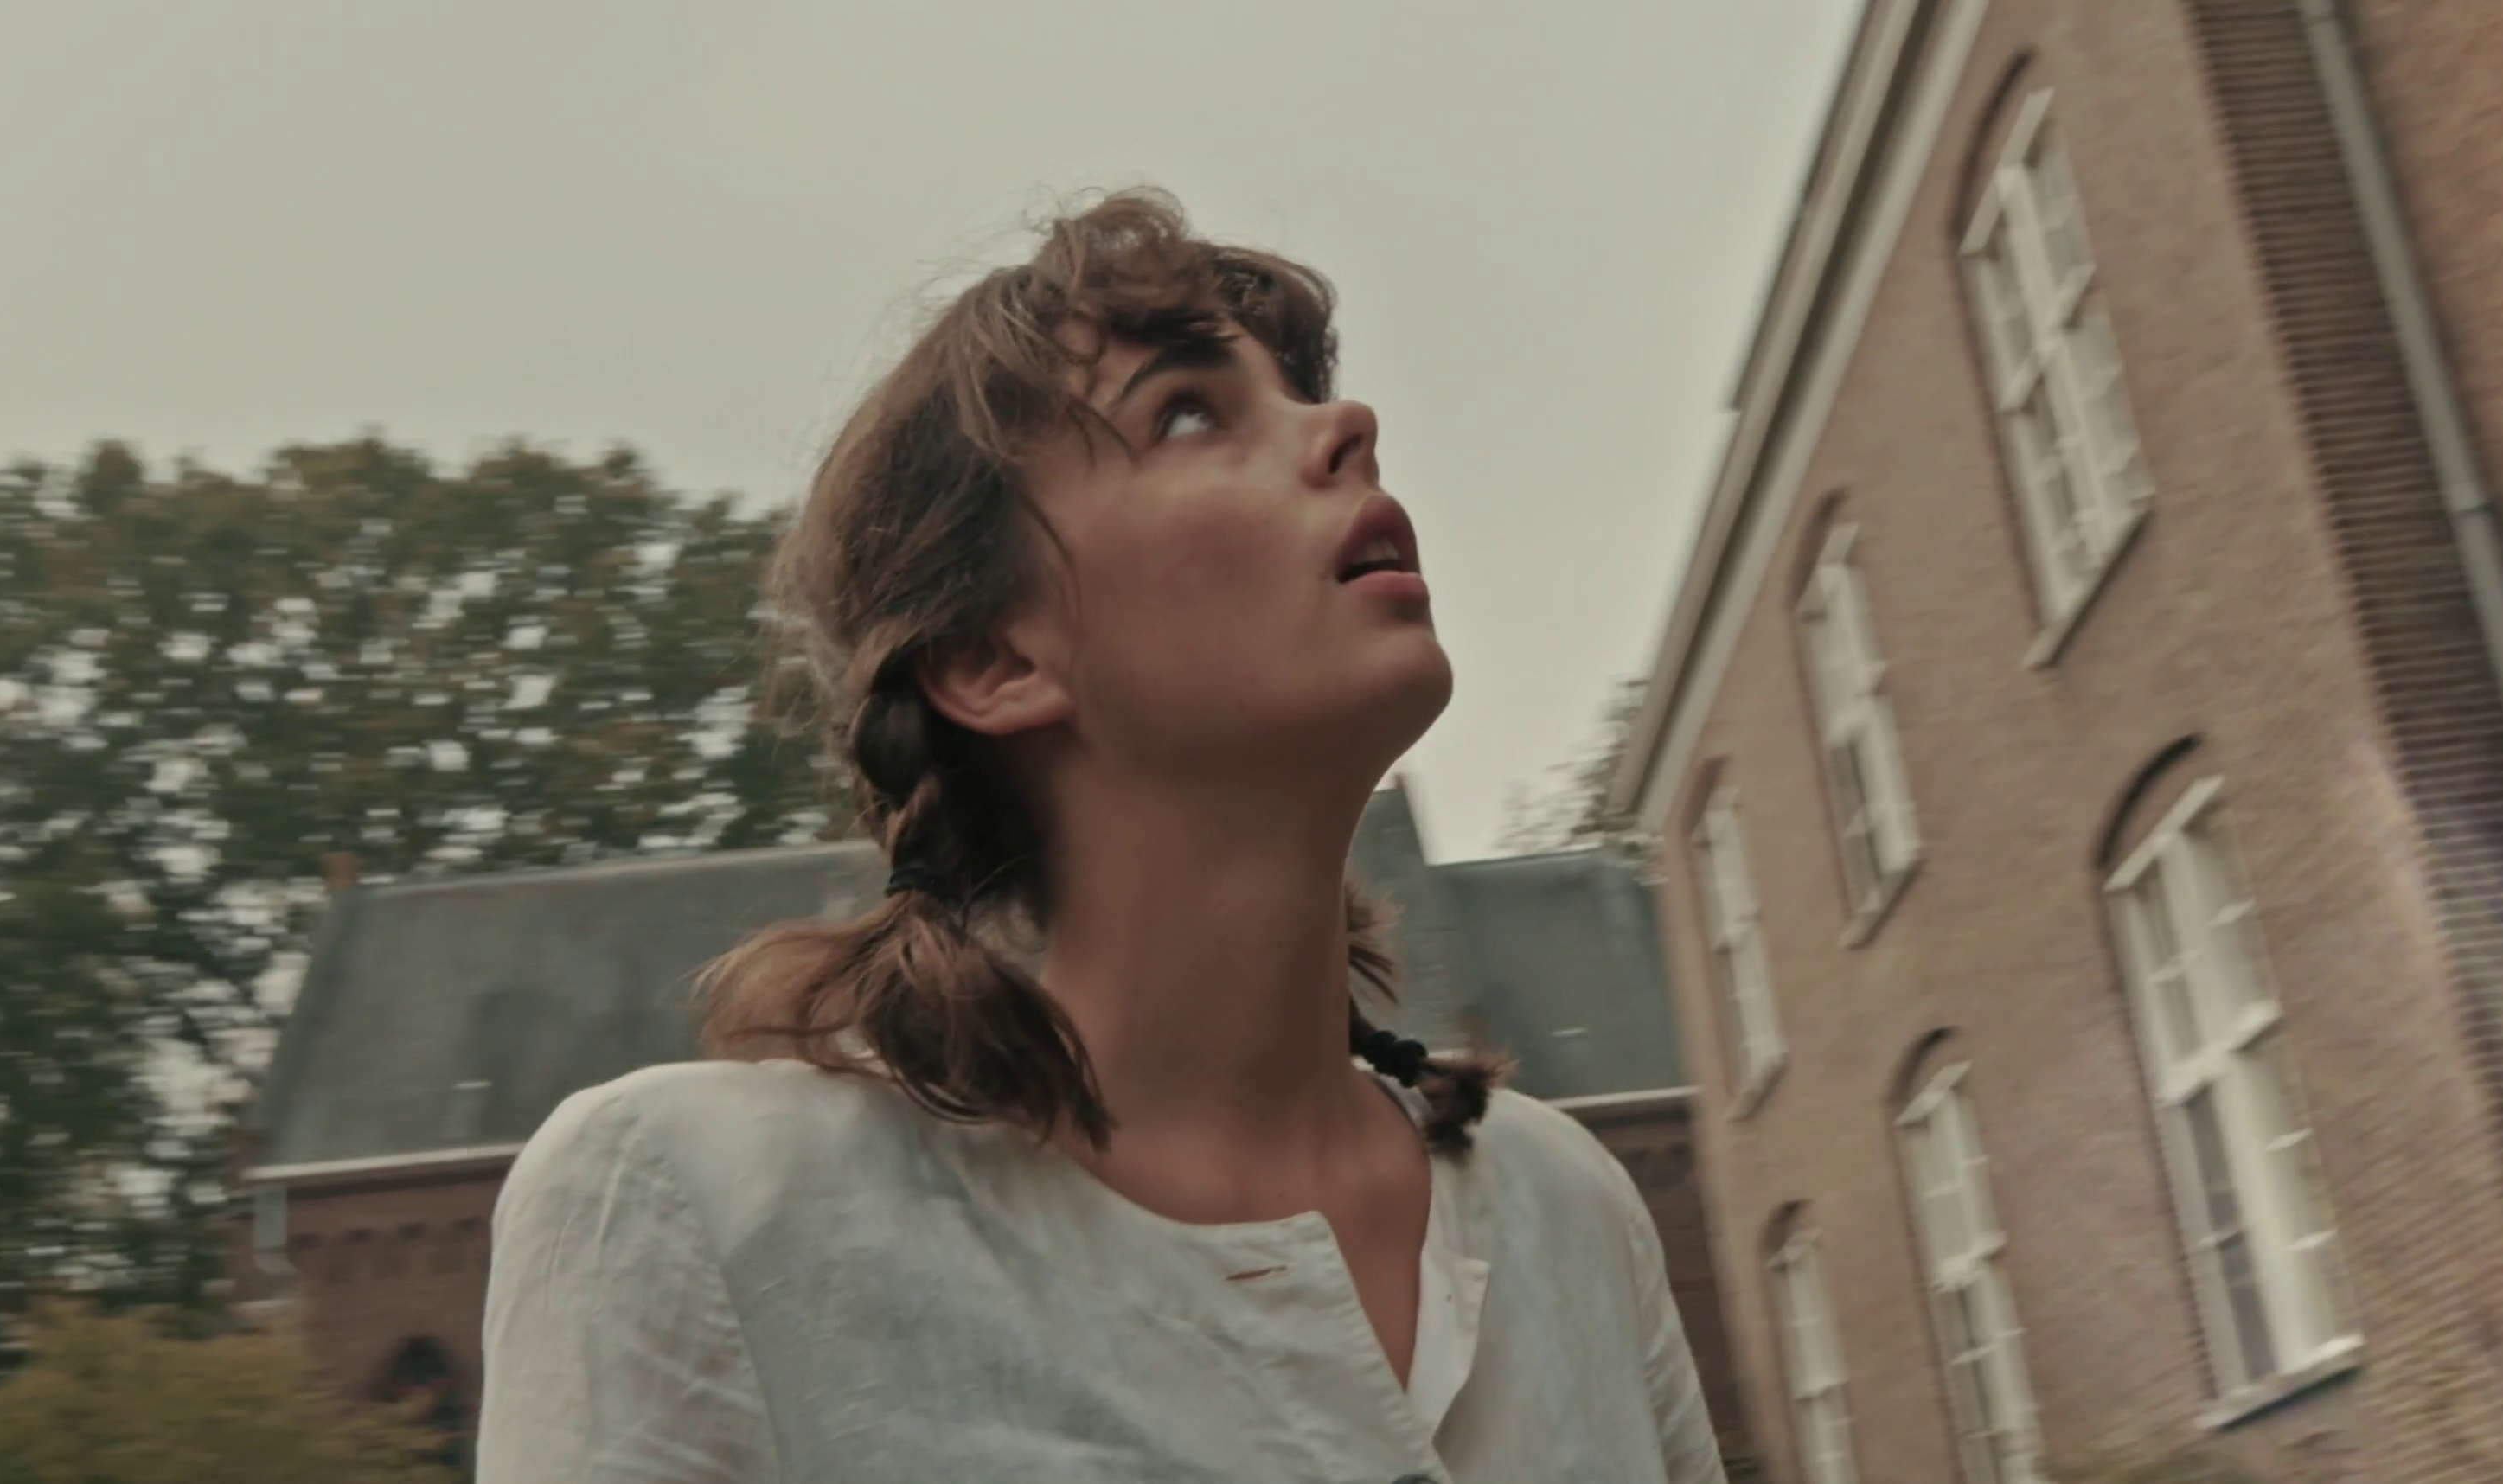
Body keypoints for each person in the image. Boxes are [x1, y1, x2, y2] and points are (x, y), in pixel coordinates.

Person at [476, 189, 1726, 1484]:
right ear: (994, 661)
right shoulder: (699, 1210)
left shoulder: (1569, 1207)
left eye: (1300, 392)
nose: (1348, 425)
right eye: (1186, 412)